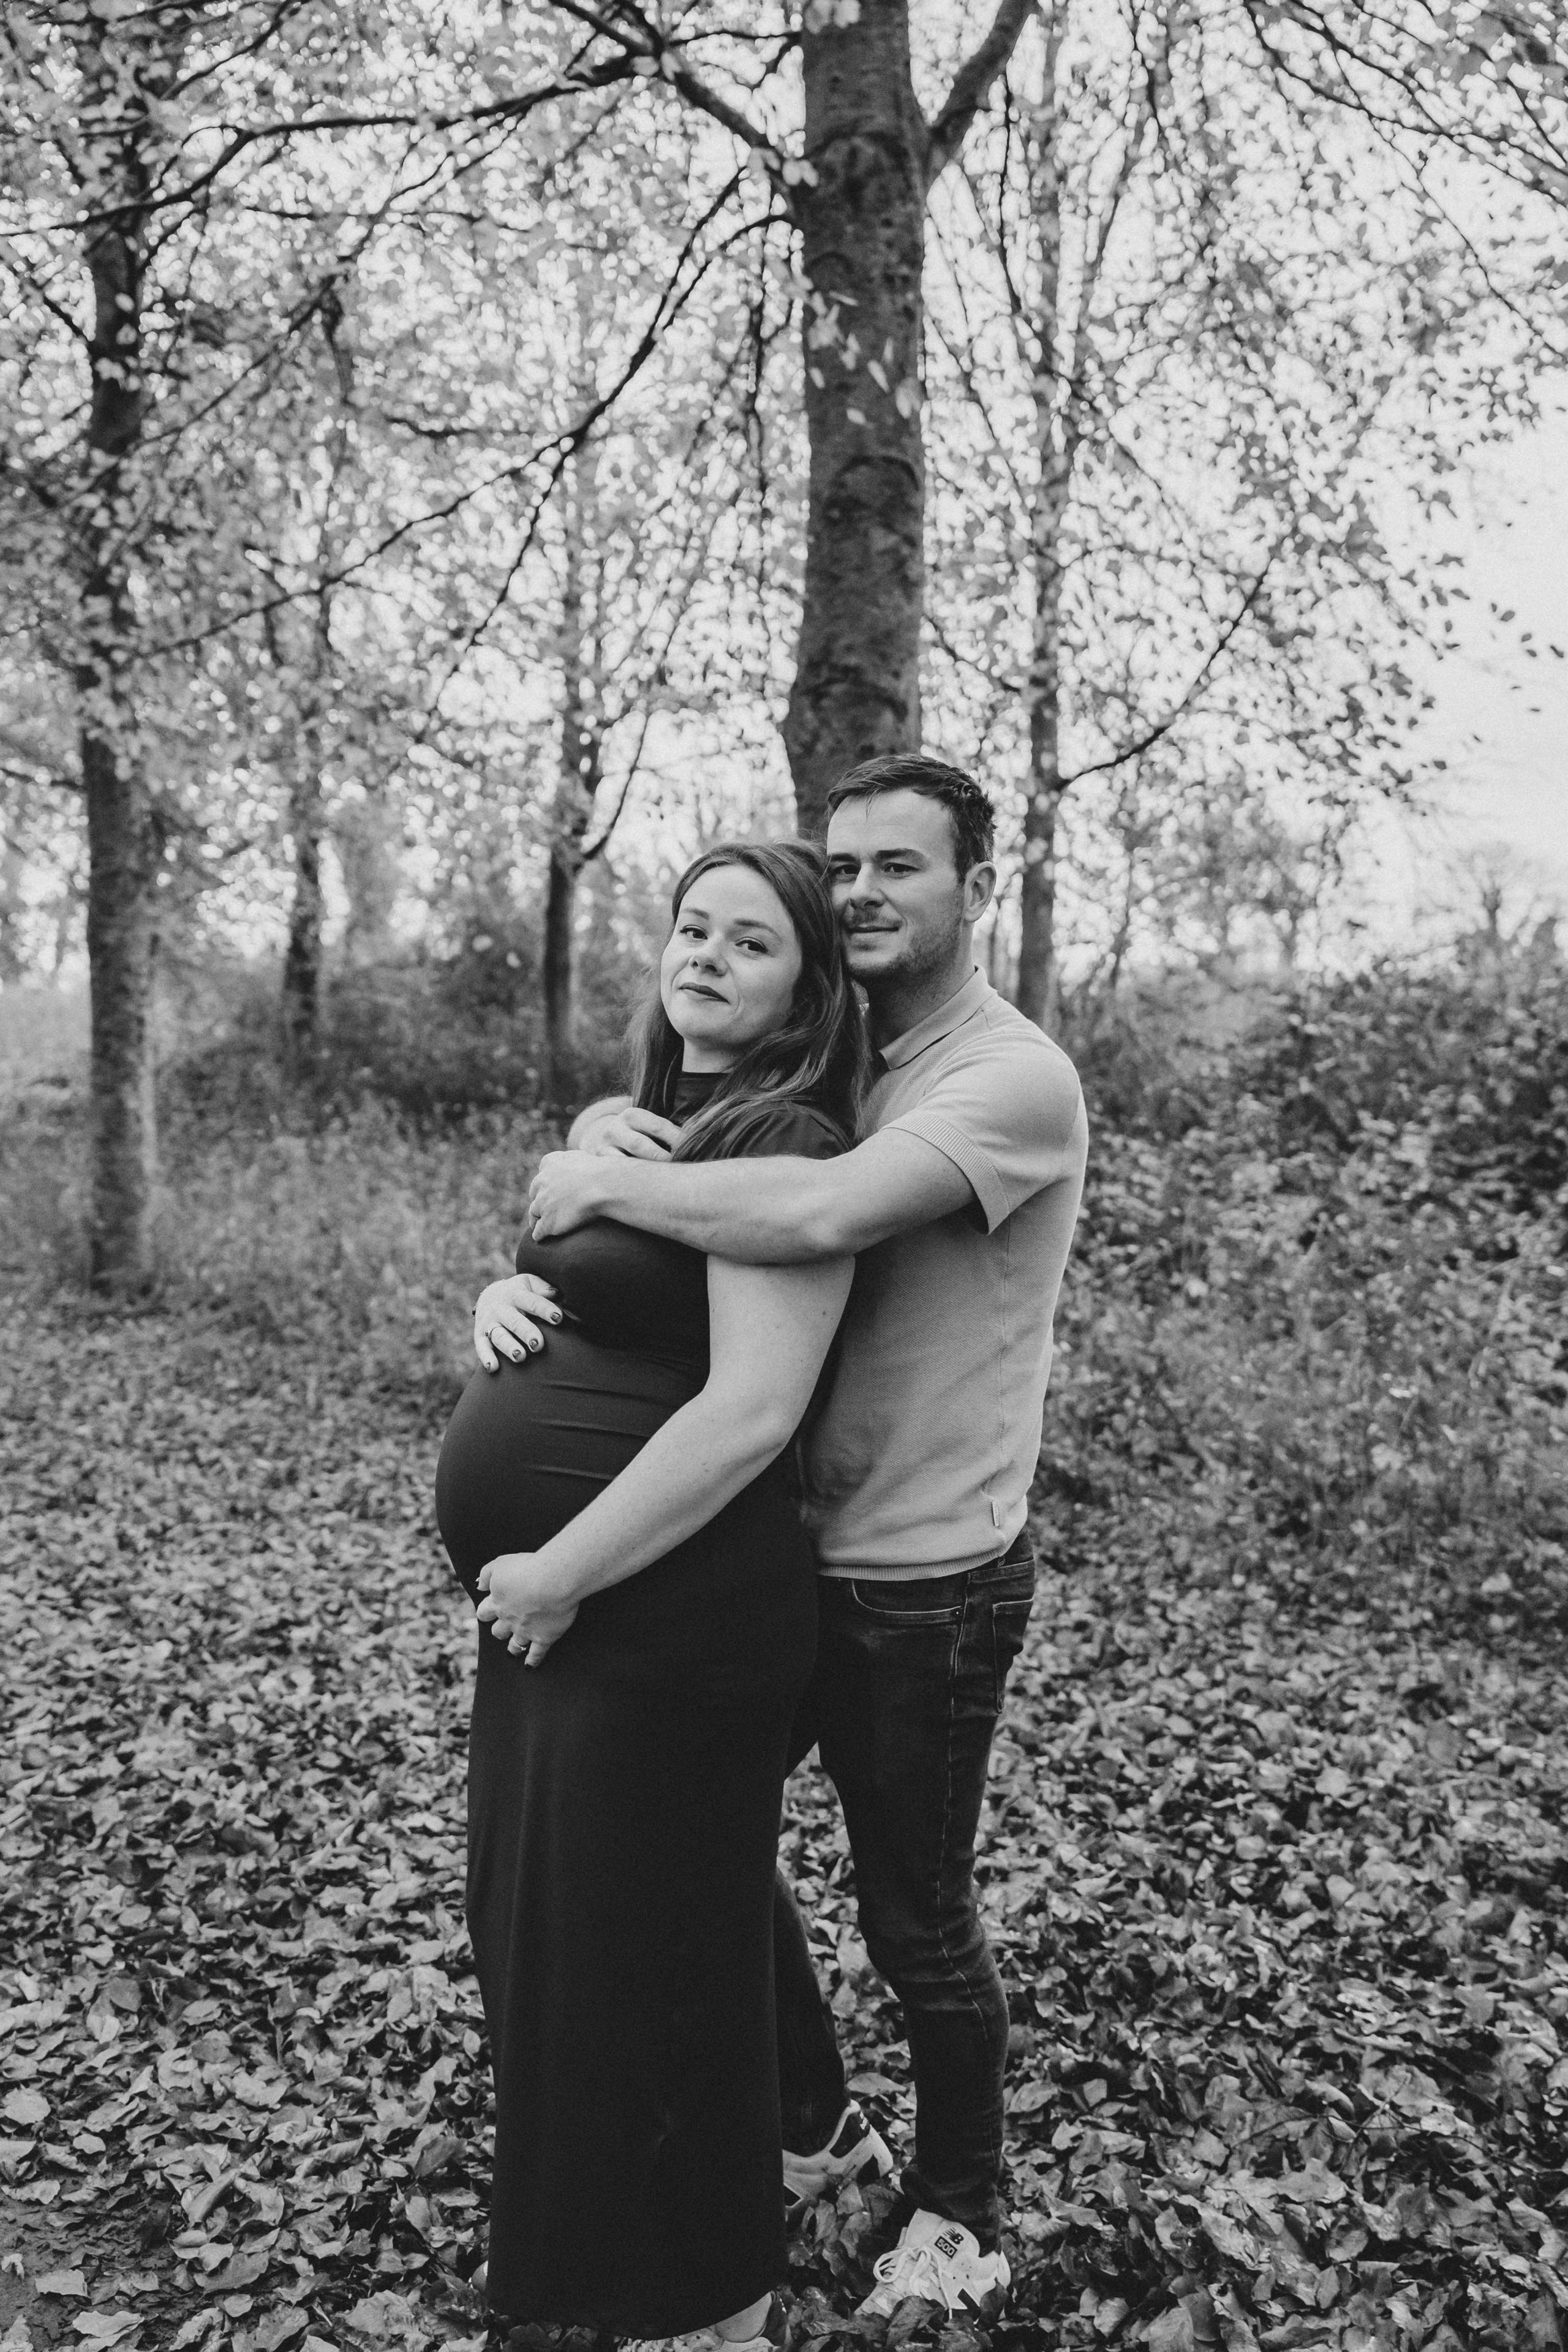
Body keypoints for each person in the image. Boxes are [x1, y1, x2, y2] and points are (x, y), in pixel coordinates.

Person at [490, 755, 1088, 2328]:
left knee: (913, 1913)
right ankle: (815, 2128)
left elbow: (814, 1216)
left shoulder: (1002, 1081)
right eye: (843, 867)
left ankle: (961, 2206)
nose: (865, 891)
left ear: (978, 887)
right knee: (703, 1847)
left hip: (920, 1575)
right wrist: (605, 1177)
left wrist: (612, 1173)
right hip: (773, 1558)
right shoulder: (848, 1053)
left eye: (903, 864)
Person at [435, 839, 867, 2351]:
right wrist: (508, 1293)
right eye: (692, 928)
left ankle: (704, 2303)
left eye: (751, 945)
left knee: (641, 1969)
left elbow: (749, 1410)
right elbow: (608, 1313)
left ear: (809, 988)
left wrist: (560, 1568)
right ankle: (759, 2171)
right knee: (567, 1938)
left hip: (663, 1611)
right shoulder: (654, 1124)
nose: (705, 957)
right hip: (574, 1615)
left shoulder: (793, 1145)